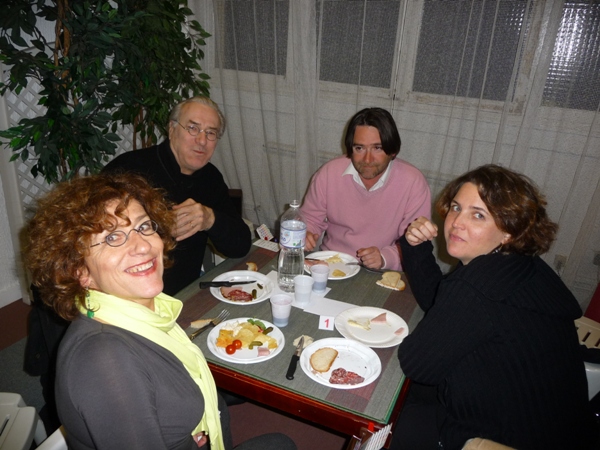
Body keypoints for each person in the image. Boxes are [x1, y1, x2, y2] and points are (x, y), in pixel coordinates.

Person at [24, 172, 296, 450]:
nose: (143, 245)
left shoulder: (147, 315)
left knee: (280, 443)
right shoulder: (105, 361)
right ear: (80, 271)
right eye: (113, 237)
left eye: (143, 226)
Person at [393, 164, 598, 449]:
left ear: (509, 231)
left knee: (389, 418)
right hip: (561, 426)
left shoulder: (478, 286)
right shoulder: (521, 265)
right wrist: (415, 246)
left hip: (505, 436)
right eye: (456, 208)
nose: (456, 222)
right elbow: (438, 303)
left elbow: (417, 365)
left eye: (478, 215)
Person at [103, 96, 251, 296]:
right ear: (172, 129)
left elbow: (241, 245)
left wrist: (210, 219)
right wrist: (161, 229)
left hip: (186, 294)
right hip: (130, 297)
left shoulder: (211, 178)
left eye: (211, 133)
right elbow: (99, 245)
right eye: (193, 128)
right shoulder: (128, 170)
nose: (202, 141)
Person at [300, 107, 431, 270]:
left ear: (393, 151)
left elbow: (416, 244)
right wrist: (305, 233)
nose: (367, 159)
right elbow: (310, 219)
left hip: (383, 271)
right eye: (359, 148)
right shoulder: (329, 173)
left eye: (377, 148)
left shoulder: (413, 182)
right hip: (331, 263)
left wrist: (385, 257)